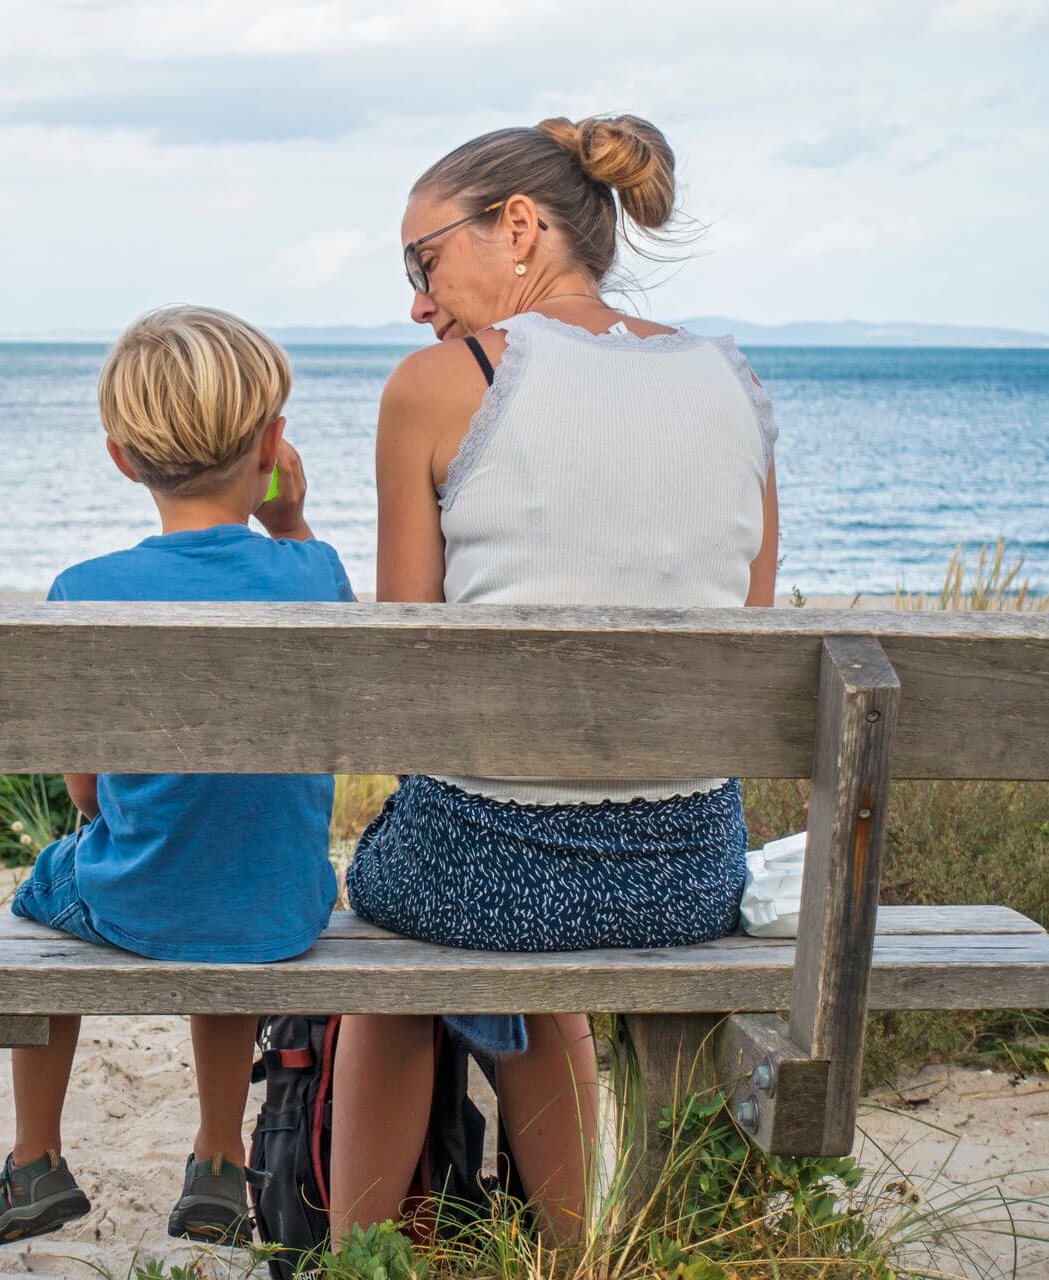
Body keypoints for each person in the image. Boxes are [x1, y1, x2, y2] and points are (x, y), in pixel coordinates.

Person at [330, 114, 780, 1248]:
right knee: (520, 870)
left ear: (519, 226)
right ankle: (581, 1254)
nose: (418, 301)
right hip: (689, 872)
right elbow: (754, 645)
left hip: (479, 873)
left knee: (395, 939)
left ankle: (362, 1257)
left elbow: (405, 668)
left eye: (423, 260)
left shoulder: (436, 386)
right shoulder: (734, 382)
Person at [0, 304, 356, 1249]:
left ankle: (34, 1162)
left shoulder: (85, 591)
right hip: (281, 911)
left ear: (121, 458)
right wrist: (295, 521)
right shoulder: (314, 575)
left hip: (139, 902)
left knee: (41, 894)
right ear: (274, 445)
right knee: (228, 866)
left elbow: (86, 798)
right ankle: (220, 1159)